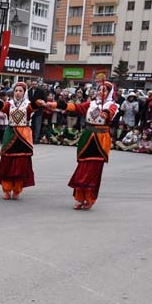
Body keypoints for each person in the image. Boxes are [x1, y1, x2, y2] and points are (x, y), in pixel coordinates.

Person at [58, 79, 118, 210]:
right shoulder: (91, 104)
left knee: (94, 170)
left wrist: (106, 113)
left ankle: (90, 198)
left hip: (100, 139)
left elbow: (111, 112)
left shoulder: (111, 105)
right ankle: (80, 198)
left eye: (104, 90)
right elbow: (76, 107)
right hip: (88, 136)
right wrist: (60, 105)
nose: (100, 92)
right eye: (99, 89)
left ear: (109, 93)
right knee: (82, 167)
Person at [0, 81, 43, 200]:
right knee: (7, 163)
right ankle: (6, 189)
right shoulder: (9, 104)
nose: (17, 93)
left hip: (23, 137)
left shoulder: (27, 105)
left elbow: (33, 107)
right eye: (16, 90)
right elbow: (1, 106)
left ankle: (17, 189)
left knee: (20, 165)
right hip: (10, 134)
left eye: (20, 91)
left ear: (24, 93)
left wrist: (39, 103)